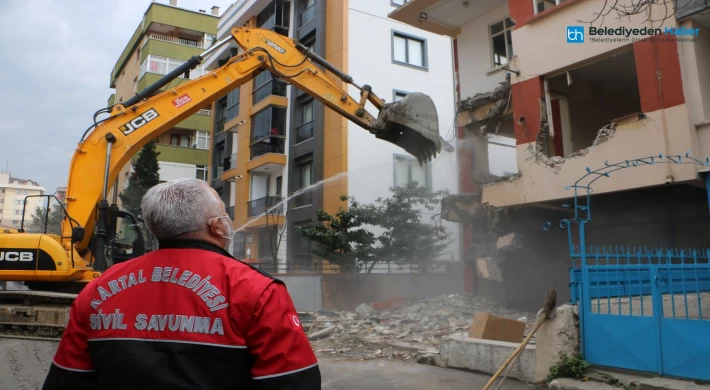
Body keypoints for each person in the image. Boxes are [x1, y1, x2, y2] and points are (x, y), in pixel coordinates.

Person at [43, 178, 321, 390]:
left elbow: (67, 379)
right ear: (217, 226)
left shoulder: (99, 289)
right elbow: (293, 381)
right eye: (225, 214)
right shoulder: (257, 290)